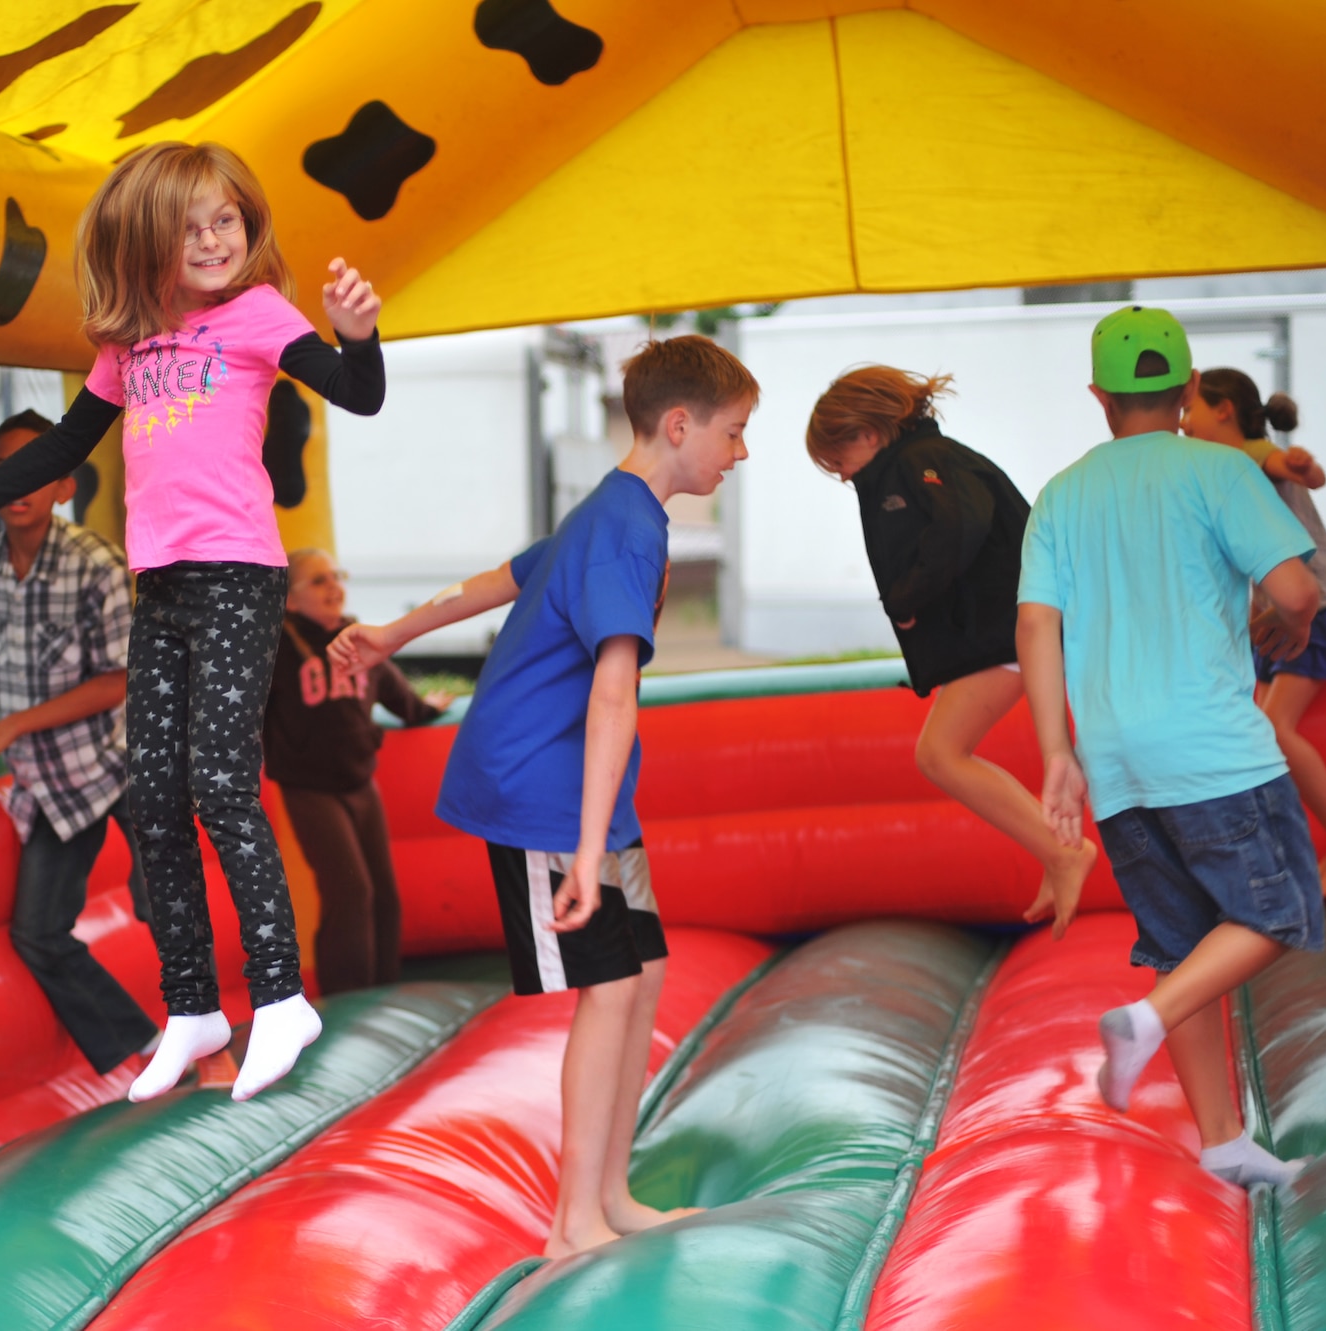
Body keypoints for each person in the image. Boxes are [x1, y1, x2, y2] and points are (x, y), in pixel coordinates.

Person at [0, 141, 386, 1103]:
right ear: (150, 242)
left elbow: (357, 394)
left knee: (223, 782)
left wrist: (356, 336)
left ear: (248, 225)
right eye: (189, 226)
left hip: (237, 575)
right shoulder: (130, 345)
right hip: (163, 583)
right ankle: (192, 1006)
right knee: (154, 797)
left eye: (225, 220)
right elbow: (62, 447)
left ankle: (281, 996)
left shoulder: (258, 317)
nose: (212, 239)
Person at [330, 335, 755, 1257]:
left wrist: (392, 632)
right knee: (607, 988)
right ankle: (572, 1224)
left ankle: (611, 1192)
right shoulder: (626, 527)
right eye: (733, 433)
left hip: (582, 788)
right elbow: (612, 694)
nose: (740, 453)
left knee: (640, 974)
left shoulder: (612, 508)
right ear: (678, 424)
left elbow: (497, 580)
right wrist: (592, 852)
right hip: (544, 784)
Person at [1017, 306, 1323, 1188]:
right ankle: (1145, 1019)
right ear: (1190, 389)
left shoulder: (1063, 493)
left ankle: (1223, 1142)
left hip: (1114, 759)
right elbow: (1298, 589)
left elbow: (1037, 621)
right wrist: (1284, 627)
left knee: (1186, 945)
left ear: (1099, 397)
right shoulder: (1219, 471)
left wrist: (1055, 752)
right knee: (1280, 909)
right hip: (1213, 746)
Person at [0, 410, 158, 1076]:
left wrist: (9, 727)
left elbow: (118, 681)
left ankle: (214, 1035)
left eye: (36, 470)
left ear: (64, 486)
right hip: (49, 779)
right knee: (37, 934)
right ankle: (145, 1044)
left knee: (165, 903)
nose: (18, 483)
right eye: (2, 470)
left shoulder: (96, 563)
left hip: (122, 759)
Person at [807, 366, 1093, 937]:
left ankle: (1064, 851)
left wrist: (908, 599)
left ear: (868, 432)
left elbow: (960, 526)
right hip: (1004, 632)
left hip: (1010, 632)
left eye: (838, 462)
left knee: (940, 753)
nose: (842, 477)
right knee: (941, 752)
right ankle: (1057, 851)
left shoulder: (922, 461)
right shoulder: (925, 460)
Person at [1182, 370, 1326, 894]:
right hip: (1282, 611)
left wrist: (1303, 465)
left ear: (1223, 410)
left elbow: (1292, 468)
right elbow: (1256, 555)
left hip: (1322, 607)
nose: (1182, 424)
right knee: (1253, 733)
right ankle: (1271, 850)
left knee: (1274, 729)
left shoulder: (1251, 454)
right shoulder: (1225, 468)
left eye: (1189, 410)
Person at [266, 549, 451, 995]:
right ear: (290, 600)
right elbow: (249, 711)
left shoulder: (355, 637)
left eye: (336, 576)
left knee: (384, 895)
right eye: (318, 580)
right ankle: (346, 999)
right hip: (309, 788)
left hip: (360, 780)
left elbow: (393, 692)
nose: (334, 586)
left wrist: (426, 708)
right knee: (350, 893)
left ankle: (383, 990)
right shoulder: (276, 647)